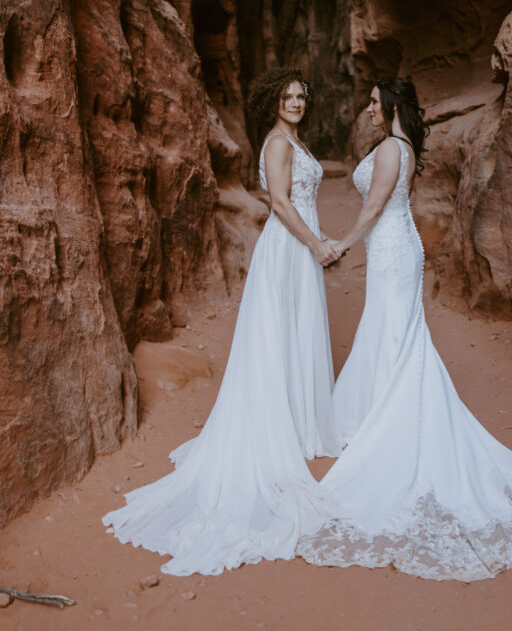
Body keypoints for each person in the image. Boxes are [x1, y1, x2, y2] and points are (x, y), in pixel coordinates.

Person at [297, 76, 512, 581]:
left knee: (395, 334)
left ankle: (392, 423)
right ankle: (371, 413)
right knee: (392, 333)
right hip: (395, 250)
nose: (367, 109)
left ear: (389, 106)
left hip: (391, 252)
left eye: (372, 102)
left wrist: (340, 244)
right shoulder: (400, 145)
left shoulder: (391, 149)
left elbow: (373, 207)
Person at [103, 68, 343, 575]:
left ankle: (300, 426)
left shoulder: (292, 139)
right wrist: (317, 244)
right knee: (280, 337)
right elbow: (278, 203)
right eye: (288, 96)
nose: (297, 102)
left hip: (300, 251)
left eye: (302, 95)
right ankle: (282, 430)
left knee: (296, 335)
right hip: (289, 250)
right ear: (273, 102)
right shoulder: (277, 143)